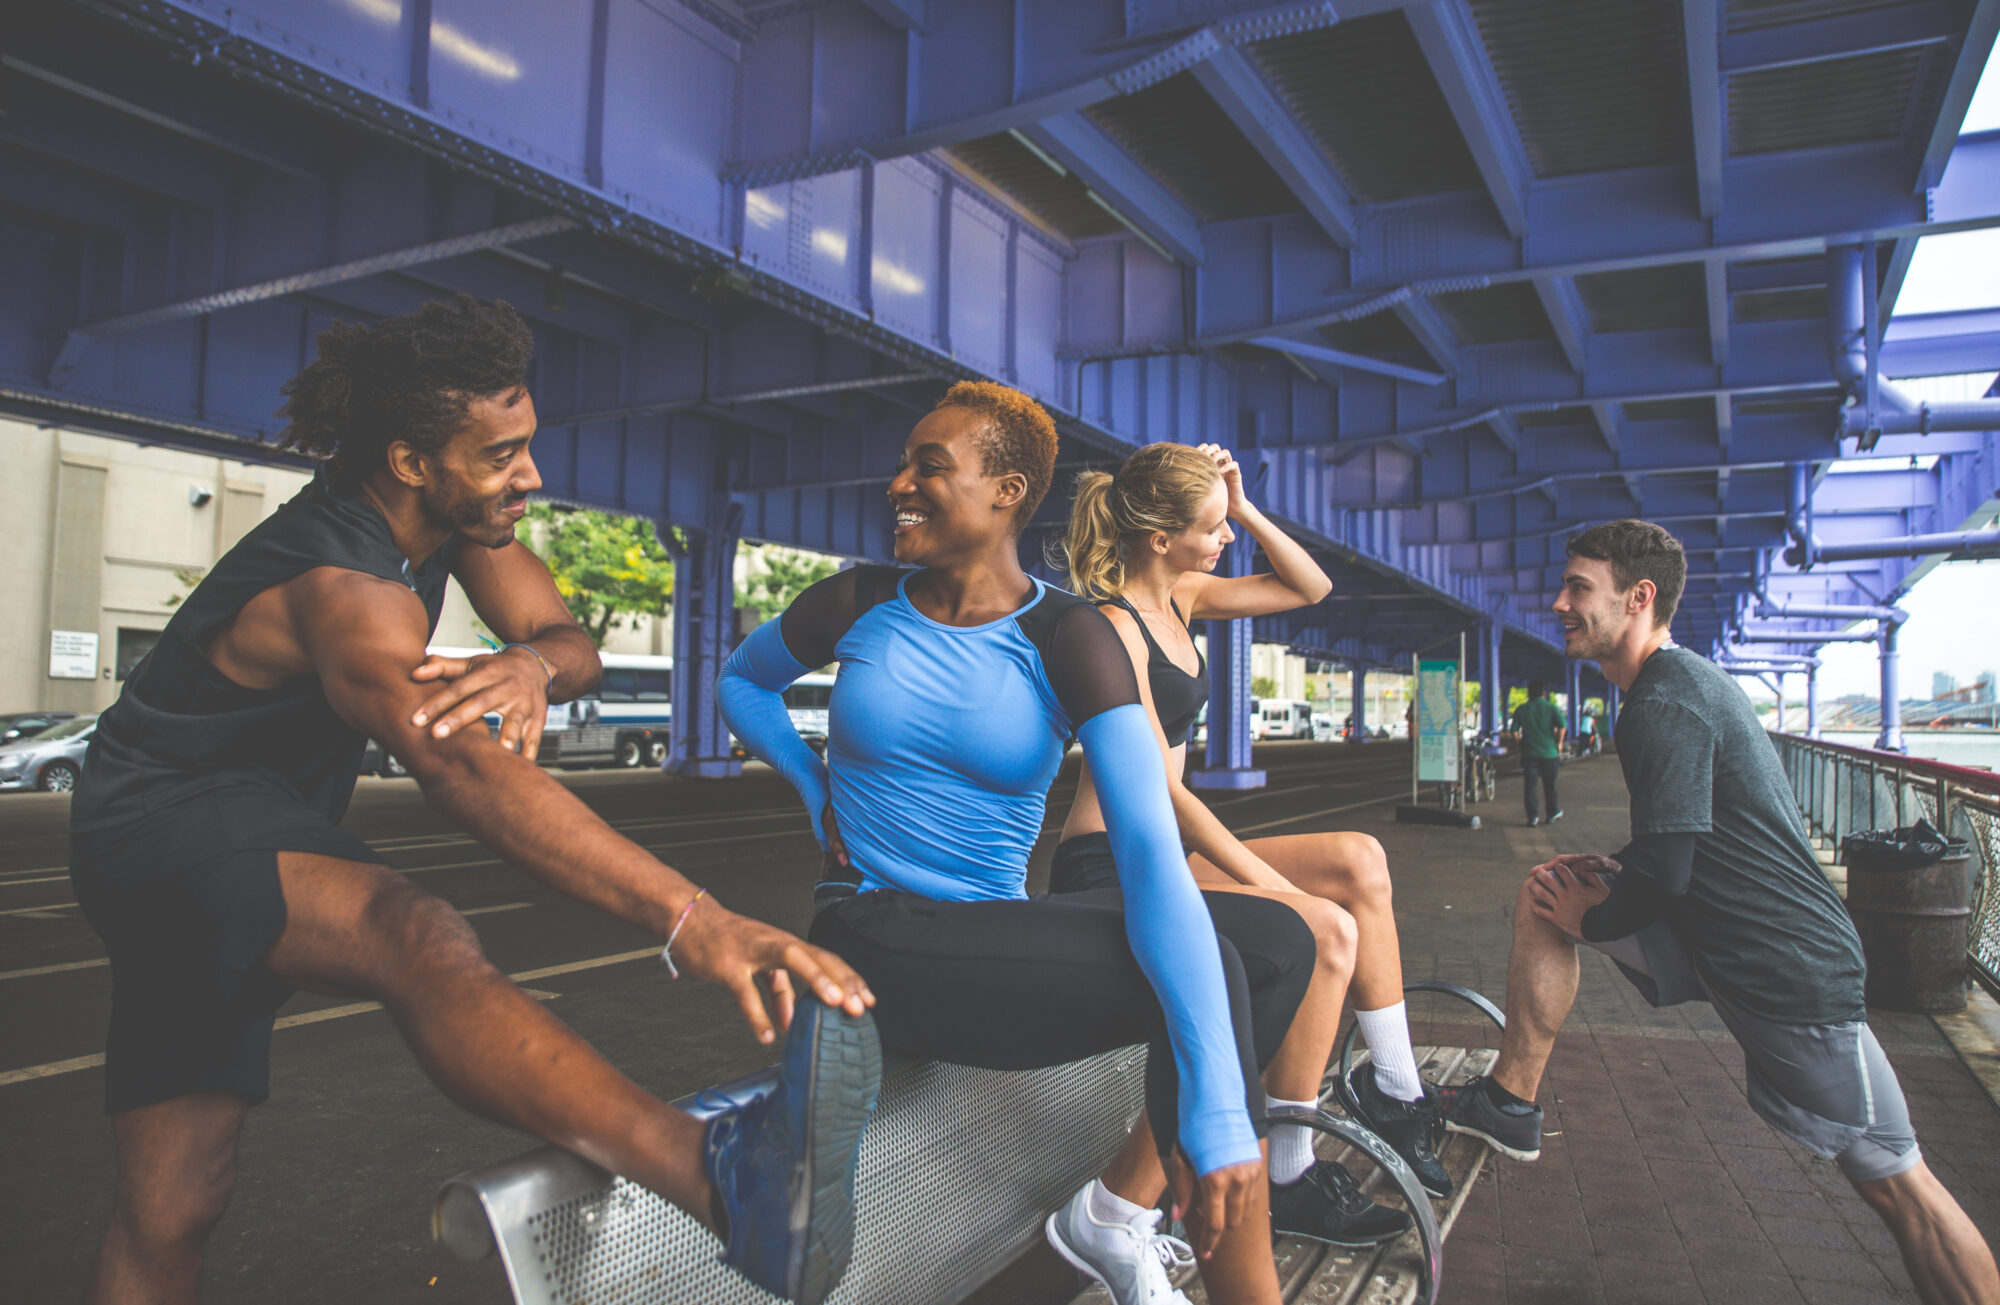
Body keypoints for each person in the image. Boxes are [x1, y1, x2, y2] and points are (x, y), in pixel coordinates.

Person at [69, 297, 880, 1305]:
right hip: (164, 823)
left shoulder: (455, 526)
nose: (530, 476)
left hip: (245, 839)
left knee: (173, 1207)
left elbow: (567, 636)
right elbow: (458, 770)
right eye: (501, 454)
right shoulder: (341, 583)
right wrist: (694, 918)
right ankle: (718, 1180)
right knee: (413, 931)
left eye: (527, 445)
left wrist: (532, 665)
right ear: (412, 461)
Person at [719, 383, 1321, 1305]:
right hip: (870, 931)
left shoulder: (1068, 636)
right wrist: (812, 785)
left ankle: (1124, 1212)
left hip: (991, 943)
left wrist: (1218, 1112)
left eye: (930, 465)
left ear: (1007, 490)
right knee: (1223, 983)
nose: (898, 483)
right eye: (904, 461)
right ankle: (1237, 1283)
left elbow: (1155, 857)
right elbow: (743, 682)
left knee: (1281, 945)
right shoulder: (855, 600)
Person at [1441, 520, 2000, 1305]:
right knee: (1548, 890)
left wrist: (1596, 917)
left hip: (1789, 970)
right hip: (1721, 943)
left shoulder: (1666, 703)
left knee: (1899, 1184)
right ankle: (1511, 1100)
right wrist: (1601, 881)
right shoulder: (1669, 690)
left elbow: (1668, 872)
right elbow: (1676, 850)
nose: (1557, 601)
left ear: (1638, 599)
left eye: (1578, 588)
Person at [1047, 441, 1439, 1264]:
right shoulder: (1112, 626)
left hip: (1165, 851)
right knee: (1326, 929)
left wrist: (1244, 502)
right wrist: (1266, 881)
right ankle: (1288, 1173)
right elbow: (1160, 790)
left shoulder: (1184, 594)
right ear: (1161, 538)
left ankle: (1395, 1088)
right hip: (1112, 861)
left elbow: (1310, 586)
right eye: (1214, 528)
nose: (1227, 539)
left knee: (1360, 858)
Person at [1506, 678, 1565, 825]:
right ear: (1544, 694)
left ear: (1529, 694)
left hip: (1529, 754)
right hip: (1549, 754)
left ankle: (1532, 817)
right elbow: (1562, 726)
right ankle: (1552, 813)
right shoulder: (1551, 707)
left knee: (1530, 786)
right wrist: (1559, 743)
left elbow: (1513, 731)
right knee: (1550, 786)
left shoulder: (1521, 709)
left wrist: (1520, 745)